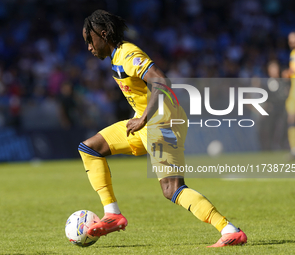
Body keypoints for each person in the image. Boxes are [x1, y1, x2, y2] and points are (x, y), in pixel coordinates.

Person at [78, 10, 247, 247]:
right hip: (145, 124)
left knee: (172, 190)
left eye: (89, 40)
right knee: (90, 148)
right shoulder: (117, 56)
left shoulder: (128, 54)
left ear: (103, 35)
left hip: (162, 124)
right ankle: (112, 214)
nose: (88, 47)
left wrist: (144, 118)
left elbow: (161, 80)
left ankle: (229, 230)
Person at [283, 32, 295, 159]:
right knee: (291, 119)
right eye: (290, 40)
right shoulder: (293, 54)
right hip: (294, 91)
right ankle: (294, 149)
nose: (292, 42)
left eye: (294, 39)